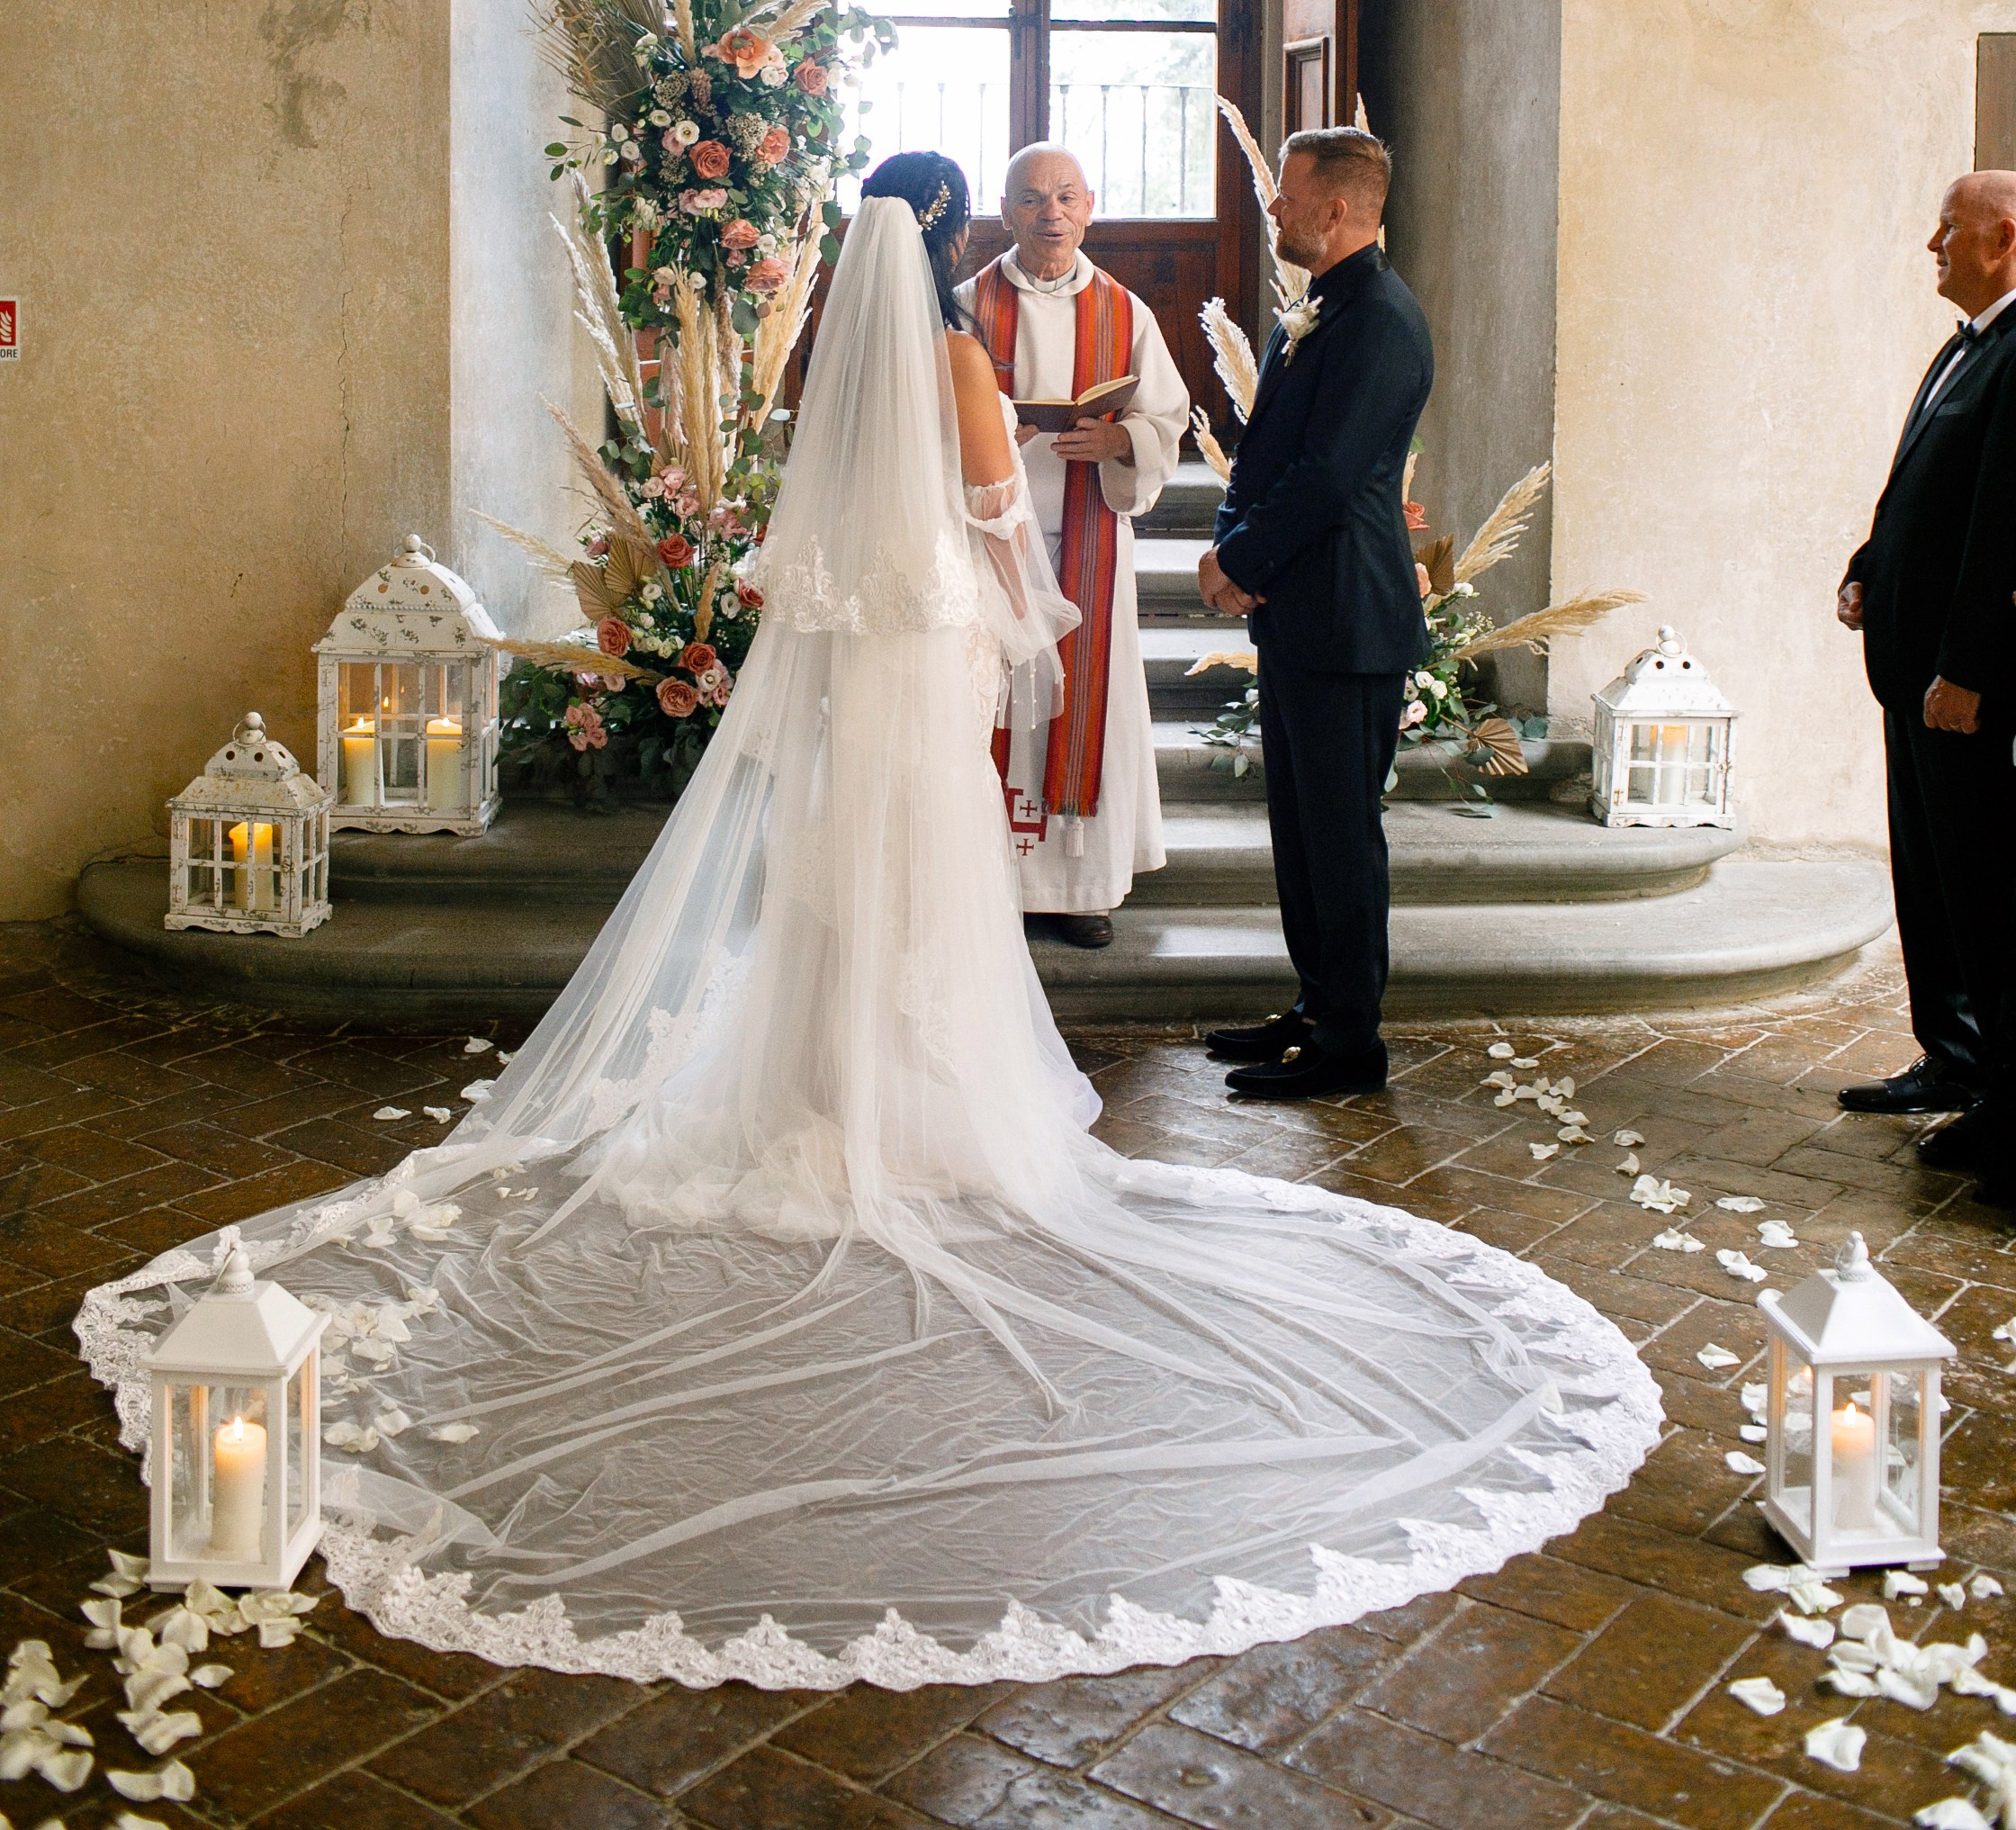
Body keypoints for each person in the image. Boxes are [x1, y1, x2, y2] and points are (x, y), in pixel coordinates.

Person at [78, 151, 1654, 1692]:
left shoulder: (842, 360)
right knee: (929, 883)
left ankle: (826, 1086)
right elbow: (991, 525)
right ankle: (918, 1100)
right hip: (931, 671)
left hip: (859, 681)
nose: (1045, 224)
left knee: (845, 885)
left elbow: (824, 536)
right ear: (966, 239)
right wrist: (1025, 612)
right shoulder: (962, 361)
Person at [1198, 126, 1432, 1103]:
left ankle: (1349, 1044)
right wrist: (1224, 542)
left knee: (1338, 835)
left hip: (1344, 615)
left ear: (1336, 209)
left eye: (1286, 196)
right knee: (1299, 830)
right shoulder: (1321, 310)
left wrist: (1239, 561)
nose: (1273, 208)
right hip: (1302, 609)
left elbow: (1329, 476)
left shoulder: (1378, 317)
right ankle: (1312, 1005)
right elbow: (1263, 457)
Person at [957, 143, 1189, 951]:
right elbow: (925, 413)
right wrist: (988, 429)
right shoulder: (966, 306)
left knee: (1083, 703)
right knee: (991, 702)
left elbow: (1167, 419)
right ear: (1006, 212)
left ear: (1090, 207)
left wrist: (1120, 439)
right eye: (1030, 199)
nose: (1049, 213)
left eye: (1064, 197)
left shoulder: (1128, 314)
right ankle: (980, 879)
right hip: (986, 540)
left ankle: (1073, 886)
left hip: (1089, 531)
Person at [1836, 172, 2016, 1194]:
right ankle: (1948, 1055)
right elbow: (1921, 488)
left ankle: (2001, 1094)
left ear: (2000, 238)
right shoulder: (1961, 348)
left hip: (1959, 684)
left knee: (1981, 887)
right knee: (1928, 876)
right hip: (1905, 666)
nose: (1927, 244)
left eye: (1944, 229)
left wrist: (1966, 669)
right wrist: (1867, 564)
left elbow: (2000, 531)